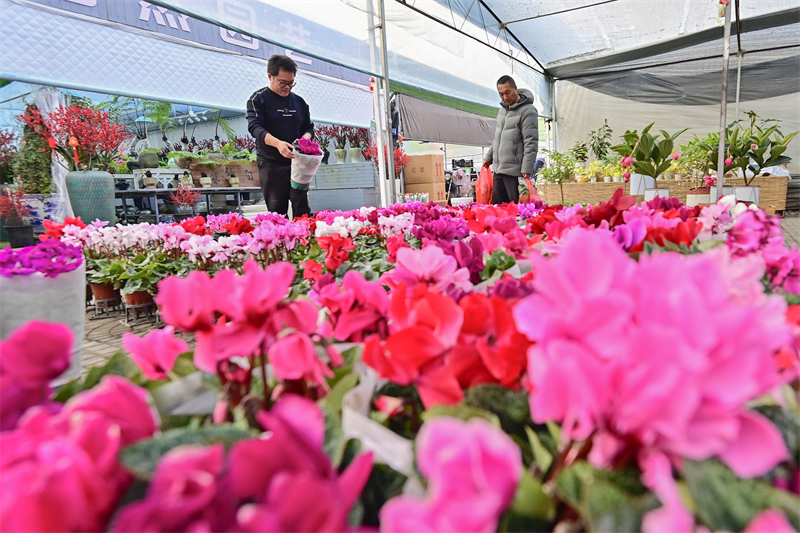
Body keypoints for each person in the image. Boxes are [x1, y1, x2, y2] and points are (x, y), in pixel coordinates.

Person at [247, 54, 314, 217]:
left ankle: (305, 240)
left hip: (297, 163)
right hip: (271, 164)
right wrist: (278, 143)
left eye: (291, 83)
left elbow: (309, 127)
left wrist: (305, 138)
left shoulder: (299, 102)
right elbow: (255, 127)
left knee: (302, 208)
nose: (287, 87)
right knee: (277, 212)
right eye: (283, 83)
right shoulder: (258, 99)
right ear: (270, 76)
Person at [483, 75, 539, 204]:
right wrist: (489, 157)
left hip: (515, 172)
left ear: (515, 89)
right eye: (501, 94)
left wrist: (527, 168)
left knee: (516, 210)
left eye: (508, 92)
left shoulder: (528, 111)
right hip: (498, 169)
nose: (505, 97)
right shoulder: (502, 111)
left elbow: (531, 141)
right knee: (498, 208)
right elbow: (497, 138)